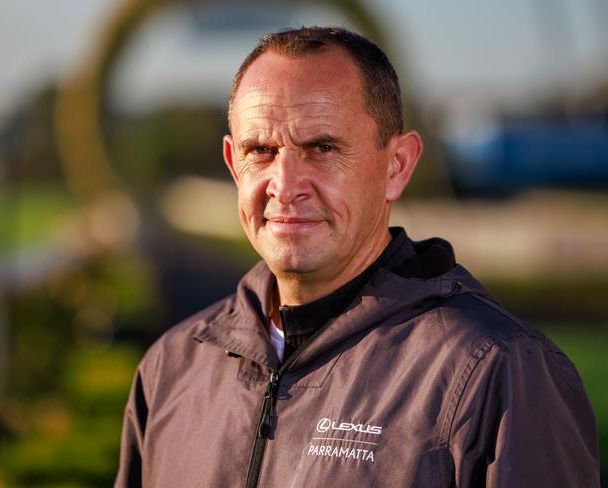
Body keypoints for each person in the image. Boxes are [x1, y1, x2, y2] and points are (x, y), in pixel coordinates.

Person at [115, 26, 599, 487]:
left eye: (322, 148)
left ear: (397, 166)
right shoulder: (171, 368)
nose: (284, 186)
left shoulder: (497, 371)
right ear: (233, 165)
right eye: (260, 150)